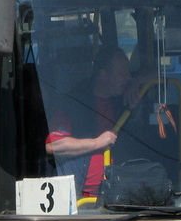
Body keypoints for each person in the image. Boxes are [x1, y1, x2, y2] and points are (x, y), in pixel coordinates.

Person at [45, 45, 134, 198]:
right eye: (122, 73)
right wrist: (97, 142)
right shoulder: (75, 103)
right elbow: (53, 145)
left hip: (118, 194)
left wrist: (138, 81)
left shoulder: (122, 98)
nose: (129, 77)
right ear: (104, 75)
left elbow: (156, 73)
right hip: (83, 200)